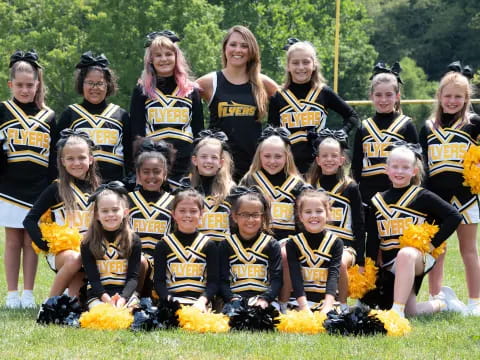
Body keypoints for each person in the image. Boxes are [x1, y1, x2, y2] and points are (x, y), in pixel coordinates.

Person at [366, 145, 463, 317]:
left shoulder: (422, 195)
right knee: (411, 311)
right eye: (395, 166)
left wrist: (432, 245)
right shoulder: (377, 201)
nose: (399, 171)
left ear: (414, 171)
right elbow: (374, 238)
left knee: (406, 254)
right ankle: (444, 303)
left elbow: (454, 216)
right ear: (386, 169)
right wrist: (372, 268)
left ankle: (396, 313)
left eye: (405, 167)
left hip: (416, 259)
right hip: (390, 265)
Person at [419, 70, 480, 315]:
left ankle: (475, 301)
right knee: (437, 249)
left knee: (469, 249)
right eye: (448, 96)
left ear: (466, 98)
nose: (452, 101)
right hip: (436, 199)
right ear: (440, 96)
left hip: (466, 197)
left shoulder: (474, 124)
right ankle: (437, 299)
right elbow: (421, 164)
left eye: (458, 96)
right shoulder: (427, 127)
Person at [0, 50, 55, 308]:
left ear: (37, 85)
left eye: (29, 85)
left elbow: (54, 156)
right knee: (12, 240)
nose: (24, 90)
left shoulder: (50, 116)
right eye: (19, 85)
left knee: (30, 240)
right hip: (9, 186)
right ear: (10, 85)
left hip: (38, 188)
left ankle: (29, 293)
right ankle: (12, 293)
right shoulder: (2, 110)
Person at [23, 130, 101, 298]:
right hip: (65, 254)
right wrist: (46, 245)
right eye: (70, 159)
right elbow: (29, 220)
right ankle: (49, 304)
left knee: (76, 305)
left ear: (91, 159)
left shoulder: (99, 189)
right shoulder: (56, 188)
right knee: (75, 258)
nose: (76, 163)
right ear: (62, 161)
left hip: (89, 250)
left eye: (81, 157)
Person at [196, 25, 278, 181]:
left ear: (252, 50)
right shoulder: (209, 82)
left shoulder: (262, 82)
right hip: (218, 166)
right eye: (233, 44)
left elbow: (291, 101)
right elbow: (178, 96)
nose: (238, 50)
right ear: (225, 48)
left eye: (244, 46)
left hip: (254, 167)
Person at [268, 39, 358, 173]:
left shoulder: (323, 92)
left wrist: (342, 133)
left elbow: (352, 116)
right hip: (289, 168)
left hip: (318, 168)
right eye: (295, 63)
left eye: (306, 62)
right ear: (287, 66)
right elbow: (272, 133)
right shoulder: (278, 97)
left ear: (314, 64)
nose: (300, 67)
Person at [129, 30, 204, 185]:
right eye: (158, 55)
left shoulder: (191, 90)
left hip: (186, 165)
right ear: (150, 59)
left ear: (176, 57)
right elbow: (136, 134)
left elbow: (198, 132)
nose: (164, 59)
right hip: (153, 165)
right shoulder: (142, 90)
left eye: (169, 54)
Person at [306, 129, 365, 309]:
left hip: (345, 246)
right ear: (318, 160)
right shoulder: (309, 186)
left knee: (338, 262)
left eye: (334, 155)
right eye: (324, 155)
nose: (329, 159)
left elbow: (359, 223)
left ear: (342, 160)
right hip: (316, 244)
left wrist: (361, 260)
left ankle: (343, 305)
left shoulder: (350, 186)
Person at [55, 51, 129, 182]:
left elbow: (130, 156)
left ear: (108, 85)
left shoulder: (121, 115)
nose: (95, 88)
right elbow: (57, 154)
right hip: (77, 188)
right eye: (90, 83)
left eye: (100, 83)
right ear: (81, 84)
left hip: (113, 189)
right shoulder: (70, 114)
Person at [351, 62, 419, 204]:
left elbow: (417, 164)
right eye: (378, 95)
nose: (383, 100)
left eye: (389, 95)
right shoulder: (363, 127)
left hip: (399, 195)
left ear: (397, 96)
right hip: (367, 196)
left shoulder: (407, 125)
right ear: (371, 96)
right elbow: (356, 167)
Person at [153, 188, 218, 312]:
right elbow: (159, 282)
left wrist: (202, 301)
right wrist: (170, 301)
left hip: (199, 304)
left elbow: (213, 282)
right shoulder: (163, 244)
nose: (187, 215)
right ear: (173, 214)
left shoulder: (209, 245)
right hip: (172, 302)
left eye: (193, 211)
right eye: (182, 211)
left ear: (201, 214)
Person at [219, 186, 282, 308]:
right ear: (235, 217)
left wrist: (265, 299)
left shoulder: (271, 244)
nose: (250, 219)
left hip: (263, 301)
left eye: (255, 215)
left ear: (263, 217)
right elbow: (222, 281)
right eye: (244, 214)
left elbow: (277, 279)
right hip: (235, 300)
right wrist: (231, 298)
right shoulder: (225, 244)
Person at [81, 181, 141, 308]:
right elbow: (93, 278)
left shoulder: (134, 240)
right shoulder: (87, 242)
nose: (110, 215)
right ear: (97, 215)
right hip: (98, 294)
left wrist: (123, 299)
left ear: (125, 212)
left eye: (115, 210)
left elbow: (133, 278)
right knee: (101, 315)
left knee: (131, 315)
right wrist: (106, 299)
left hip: (125, 294)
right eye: (105, 211)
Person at [240, 126, 307, 240]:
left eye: (278, 156)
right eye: (267, 156)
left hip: (289, 248)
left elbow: (304, 224)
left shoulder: (299, 185)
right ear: (259, 155)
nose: (272, 161)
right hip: (256, 245)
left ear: (287, 157)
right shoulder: (249, 181)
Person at [128, 139, 174, 297]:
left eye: (157, 171)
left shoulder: (174, 202)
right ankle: (133, 298)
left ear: (165, 174)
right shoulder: (127, 200)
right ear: (138, 175)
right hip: (133, 264)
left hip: (163, 265)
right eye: (146, 172)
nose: (151, 176)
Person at [285, 189, 343, 313]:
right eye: (308, 212)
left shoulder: (336, 242)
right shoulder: (293, 243)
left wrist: (327, 307)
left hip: (327, 301)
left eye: (319, 211)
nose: (314, 215)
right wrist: (304, 308)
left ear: (327, 214)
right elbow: (296, 278)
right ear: (300, 216)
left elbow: (333, 275)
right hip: (300, 302)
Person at [179, 130, 235, 241]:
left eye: (214, 157)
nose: (208, 161)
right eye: (204, 157)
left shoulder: (231, 190)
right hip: (193, 250)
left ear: (221, 162)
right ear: (195, 160)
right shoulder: (185, 188)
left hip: (223, 251)